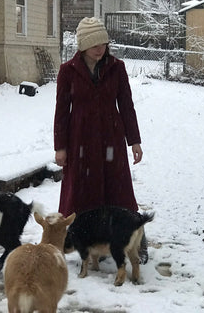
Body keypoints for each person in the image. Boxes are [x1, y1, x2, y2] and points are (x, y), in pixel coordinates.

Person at [53, 17, 148, 262]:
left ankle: (137, 239)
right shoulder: (68, 71)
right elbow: (62, 111)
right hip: (80, 139)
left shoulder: (117, 67)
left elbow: (126, 105)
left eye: (103, 43)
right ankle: (82, 239)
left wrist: (134, 141)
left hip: (111, 138)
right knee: (81, 191)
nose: (100, 48)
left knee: (119, 190)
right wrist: (60, 147)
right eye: (94, 43)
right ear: (83, 45)